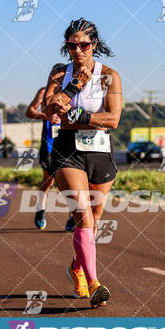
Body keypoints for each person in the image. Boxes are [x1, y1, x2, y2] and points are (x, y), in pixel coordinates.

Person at [44, 18, 122, 308]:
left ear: (94, 45)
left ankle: (77, 267)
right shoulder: (59, 73)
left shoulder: (109, 76)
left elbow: (113, 119)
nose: (78, 50)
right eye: (72, 45)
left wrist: (80, 117)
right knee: (83, 216)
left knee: (95, 219)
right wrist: (75, 86)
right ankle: (94, 283)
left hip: (100, 150)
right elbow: (49, 106)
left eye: (83, 44)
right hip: (67, 151)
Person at [25, 80, 75, 232]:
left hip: (69, 141)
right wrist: (47, 117)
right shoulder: (43, 92)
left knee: (70, 181)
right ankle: (40, 209)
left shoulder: (73, 92)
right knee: (49, 180)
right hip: (49, 143)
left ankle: (73, 217)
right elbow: (29, 112)